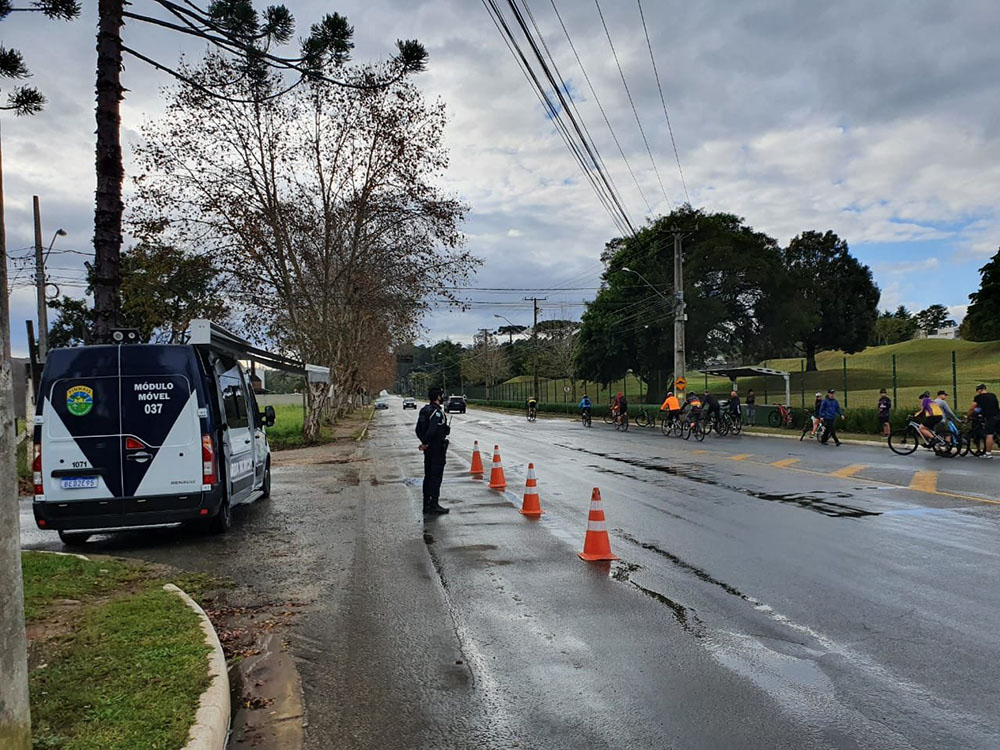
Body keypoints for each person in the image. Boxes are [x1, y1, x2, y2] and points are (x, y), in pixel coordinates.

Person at [415, 387, 450, 515]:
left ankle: (426, 504)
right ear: (438, 397)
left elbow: (418, 429)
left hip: (428, 450)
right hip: (436, 449)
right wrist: (426, 442)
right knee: (436, 477)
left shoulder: (424, 411)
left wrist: (423, 442)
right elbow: (433, 430)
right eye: (441, 395)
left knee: (428, 476)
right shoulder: (437, 413)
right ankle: (434, 504)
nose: (442, 397)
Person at [968, 383, 999, 458]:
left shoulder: (978, 397)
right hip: (998, 416)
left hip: (990, 418)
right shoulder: (993, 395)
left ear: (980, 390)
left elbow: (972, 408)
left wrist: (968, 415)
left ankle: (988, 453)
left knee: (989, 435)